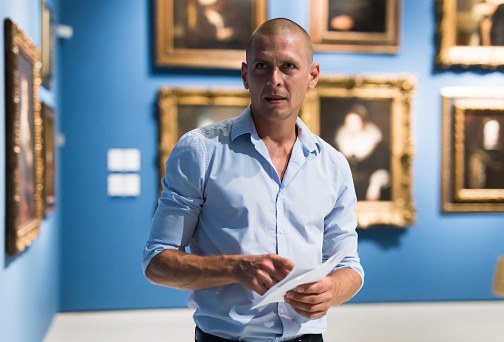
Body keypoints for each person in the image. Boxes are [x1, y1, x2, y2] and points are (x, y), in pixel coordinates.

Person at [143, 18, 364, 342]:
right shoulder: (200, 151)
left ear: (312, 75)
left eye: (289, 66)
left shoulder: (333, 165)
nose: (275, 80)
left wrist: (331, 289)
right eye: (263, 66)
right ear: (246, 74)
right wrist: (234, 268)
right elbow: (157, 262)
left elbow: (350, 267)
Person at [334, 104, 391, 201]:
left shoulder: (375, 144)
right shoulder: (340, 142)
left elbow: (382, 170)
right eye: (349, 122)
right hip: (345, 191)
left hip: (367, 190)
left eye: (355, 122)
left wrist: (375, 185)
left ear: (362, 122)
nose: (352, 126)